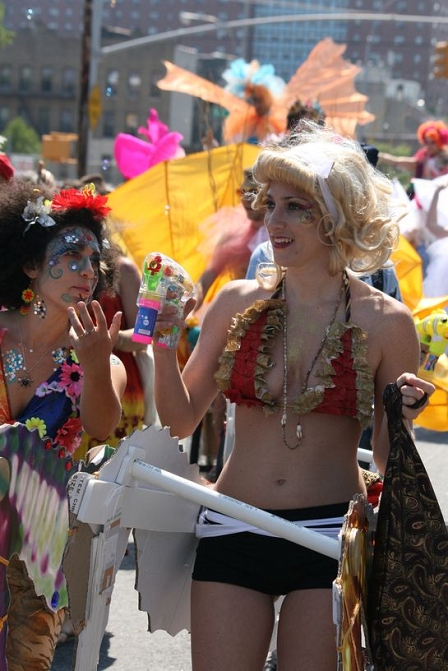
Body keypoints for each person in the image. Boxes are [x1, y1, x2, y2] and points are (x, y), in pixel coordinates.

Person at [151, 121, 435, 671]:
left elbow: (383, 459)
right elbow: (181, 421)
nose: (272, 222)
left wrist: (404, 422)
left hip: (330, 538)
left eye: (295, 208)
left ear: (335, 217)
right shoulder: (234, 303)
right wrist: (164, 347)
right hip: (231, 521)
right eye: (271, 204)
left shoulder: (387, 323)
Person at [0, 179, 127, 667]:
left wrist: (96, 366)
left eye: (94, 261)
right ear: (31, 264)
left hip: (37, 553)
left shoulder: (97, 360)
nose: (87, 270)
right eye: (72, 255)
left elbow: (102, 423)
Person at [379, 119, 448, 180]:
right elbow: (396, 161)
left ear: (439, 142)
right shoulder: (423, 158)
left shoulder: (445, 158)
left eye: (433, 142)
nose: (429, 146)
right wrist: (377, 155)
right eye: (427, 142)